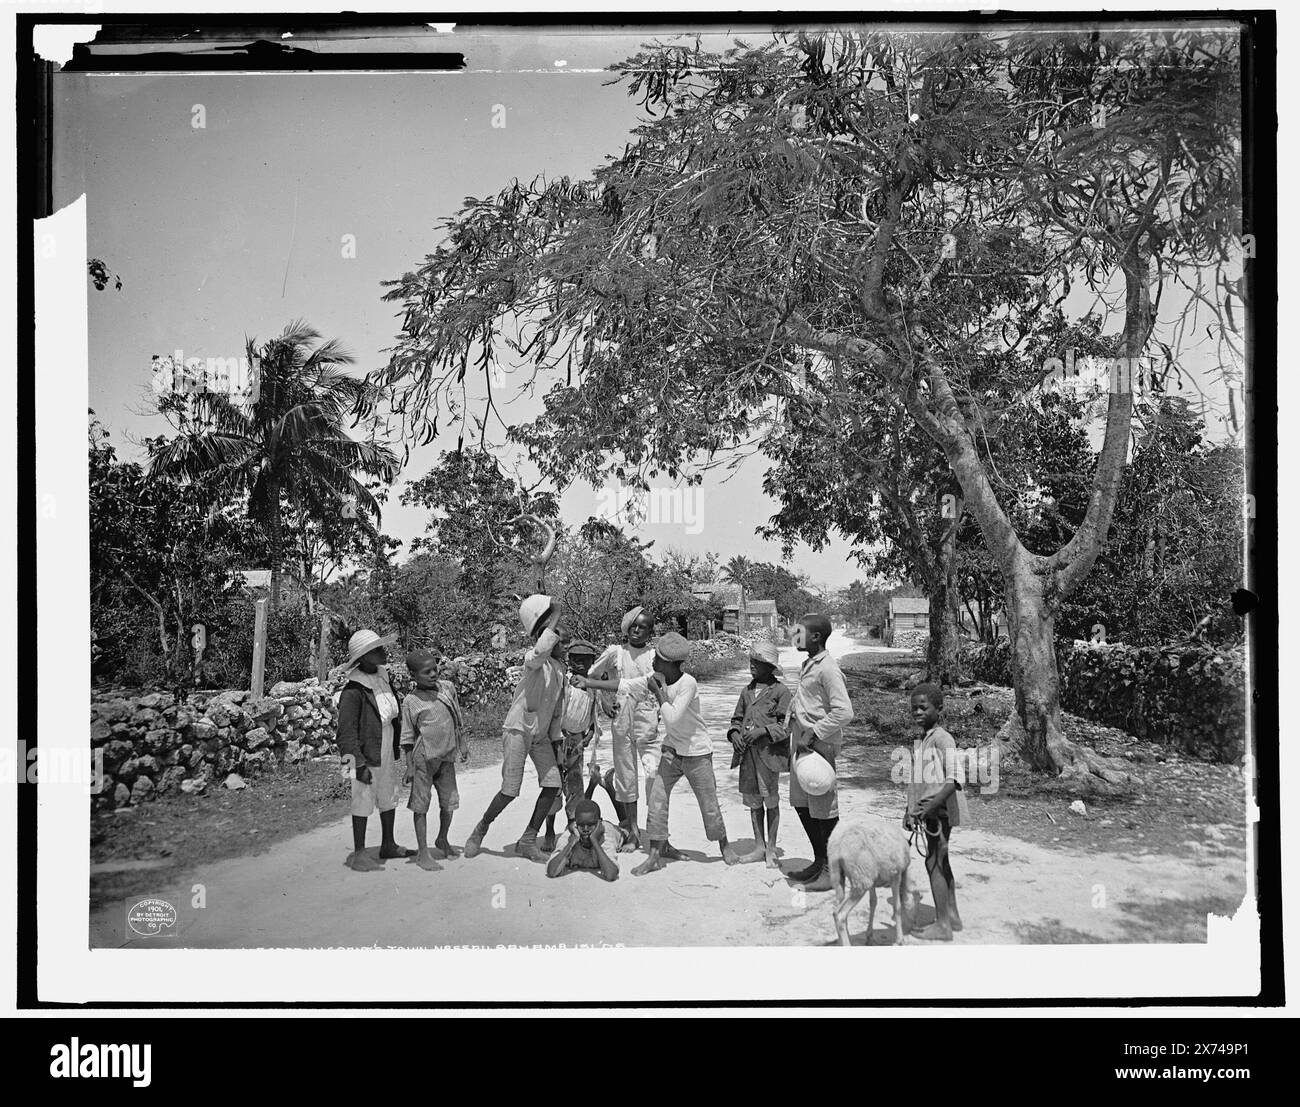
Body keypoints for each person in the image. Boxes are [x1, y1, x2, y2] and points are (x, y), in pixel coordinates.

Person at [581, 631, 739, 875]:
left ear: (670, 663)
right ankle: (655, 853)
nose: (652, 660)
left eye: (657, 658)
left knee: (708, 804)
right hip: (672, 752)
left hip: (697, 753)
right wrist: (589, 683)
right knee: (657, 799)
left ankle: (724, 845)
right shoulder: (655, 677)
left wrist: (658, 692)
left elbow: (673, 718)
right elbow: (624, 685)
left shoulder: (688, 683)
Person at [463, 595, 569, 863]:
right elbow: (540, 650)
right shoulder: (533, 660)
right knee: (510, 789)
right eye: (559, 640)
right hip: (518, 730)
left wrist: (557, 743)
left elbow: (557, 712)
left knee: (552, 784)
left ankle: (528, 838)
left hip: (540, 735)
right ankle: (481, 829)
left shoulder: (558, 670)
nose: (563, 645)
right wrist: (554, 616)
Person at [336, 629, 413, 871]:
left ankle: (388, 843)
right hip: (362, 752)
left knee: (387, 793)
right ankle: (359, 852)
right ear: (366, 656)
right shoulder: (353, 690)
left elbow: (391, 715)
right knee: (361, 797)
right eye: (378, 649)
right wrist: (355, 766)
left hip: (384, 745)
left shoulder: (382, 678)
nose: (383, 652)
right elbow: (344, 734)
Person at [788, 613, 854, 891]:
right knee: (802, 804)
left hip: (818, 745)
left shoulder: (828, 668)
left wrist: (814, 733)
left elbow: (844, 711)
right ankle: (819, 861)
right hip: (801, 745)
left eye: (799, 632)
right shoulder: (808, 665)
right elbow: (806, 701)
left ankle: (832, 871)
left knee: (824, 809)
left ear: (815, 637)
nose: (794, 635)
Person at [588, 606, 661, 851]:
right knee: (626, 778)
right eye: (633, 626)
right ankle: (632, 831)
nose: (636, 631)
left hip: (647, 719)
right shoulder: (616, 653)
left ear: (650, 631)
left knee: (654, 774)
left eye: (642, 627)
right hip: (622, 719)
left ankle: (658, 831)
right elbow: (593, 676)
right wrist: (604, 702)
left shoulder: (655, 655)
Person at [905, 683, 965, 941]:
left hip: (938, 811)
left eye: (923, 707)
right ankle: (951, 916)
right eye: (913, 708)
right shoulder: (924, 739)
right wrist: (909, 810)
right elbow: (921, 780)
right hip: (929, 810)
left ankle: (942, 925)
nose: (917, 712)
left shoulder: (943, 739)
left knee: (934, 861)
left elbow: (954, 779)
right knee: (941, 859)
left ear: (938, 709)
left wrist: (929, 806)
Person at [400, 649, 469, 872]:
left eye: (434, 669)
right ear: (413, 675)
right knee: (421, 805)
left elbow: (457, 717)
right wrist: (409, 766)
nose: (433, 674)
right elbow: (408, 737)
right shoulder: (411, 701)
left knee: (449, 803)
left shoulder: (447, 688)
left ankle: (442, 839)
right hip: (424, 759)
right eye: (426, 672)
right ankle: (422, 852)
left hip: (446, 756)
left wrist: (462, 743)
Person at [726, 640, 792, 867]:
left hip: (768, 756)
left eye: (758, 662)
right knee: (754, 801)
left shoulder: (781, 692)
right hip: (747, 756)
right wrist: (734, 734)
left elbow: (786, 726)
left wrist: (762, 732)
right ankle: (758, 846)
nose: (752, 665)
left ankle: (771, 849)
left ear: (770, 666)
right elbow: (736, 719)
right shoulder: (747, 691)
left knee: (770, 800)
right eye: (751, 661)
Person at [542, 638, 602, 853]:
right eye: (574, 659)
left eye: (583, 660)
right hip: (559, 738)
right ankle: (549, 829)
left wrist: (590, 733)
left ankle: (572, 826)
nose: (578, 664)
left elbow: (593, 713)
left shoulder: (593, 685)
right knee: (554, 784)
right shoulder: (563, 682)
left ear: (591, 661)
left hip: (576, 741)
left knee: (575, 783)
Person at [545, 798, 622, 881]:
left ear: (599, 824)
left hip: (613, 829)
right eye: (581, 825)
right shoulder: (569, 837)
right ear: (575, 824)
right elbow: (552, 872)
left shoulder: (606, 837)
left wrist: (594, 841)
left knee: (626, 832)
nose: (585, 829)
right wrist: (570, 844)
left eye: (590, 825)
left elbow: (611, 875)